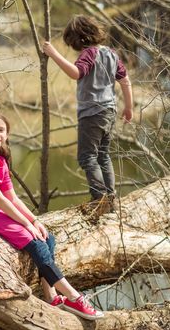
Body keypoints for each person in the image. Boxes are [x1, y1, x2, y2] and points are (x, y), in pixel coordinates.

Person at [0, 110, 104, 321]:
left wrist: (34, 220)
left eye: (1, 130)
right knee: (36, 242)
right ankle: (74, 297)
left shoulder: (0, 159)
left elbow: (13, 197)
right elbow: (0, 199)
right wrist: (25, 225)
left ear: (7, 134)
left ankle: (52, 296)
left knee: (47, 237)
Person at [43, 15, 133, 207]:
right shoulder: (111, 53)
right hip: (109, 111)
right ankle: (110, 198)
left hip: (92, 113)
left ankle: (99, 199)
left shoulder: (89, 53)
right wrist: (129, 107)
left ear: (79, 39)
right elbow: (125, 81)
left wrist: (53, 54)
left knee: (87, 157)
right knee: (103, 154)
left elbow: (76, 73)